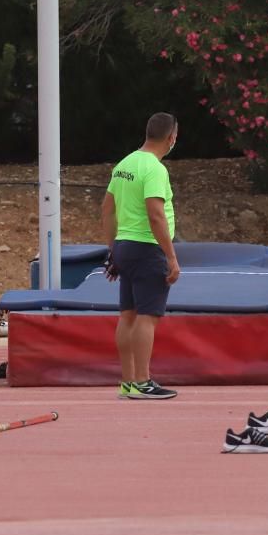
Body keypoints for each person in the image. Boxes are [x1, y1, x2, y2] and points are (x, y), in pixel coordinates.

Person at [101, 113, 181, 400]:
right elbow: (156, 213)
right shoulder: (154, 169)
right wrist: (171, 257)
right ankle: (143, 381)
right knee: (147, 317)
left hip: (125, 245)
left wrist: (113, 249)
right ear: (171, 137)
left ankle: (128, 381)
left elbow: (107, 209)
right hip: (148, 248)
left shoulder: (125, 164)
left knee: (128, 315)